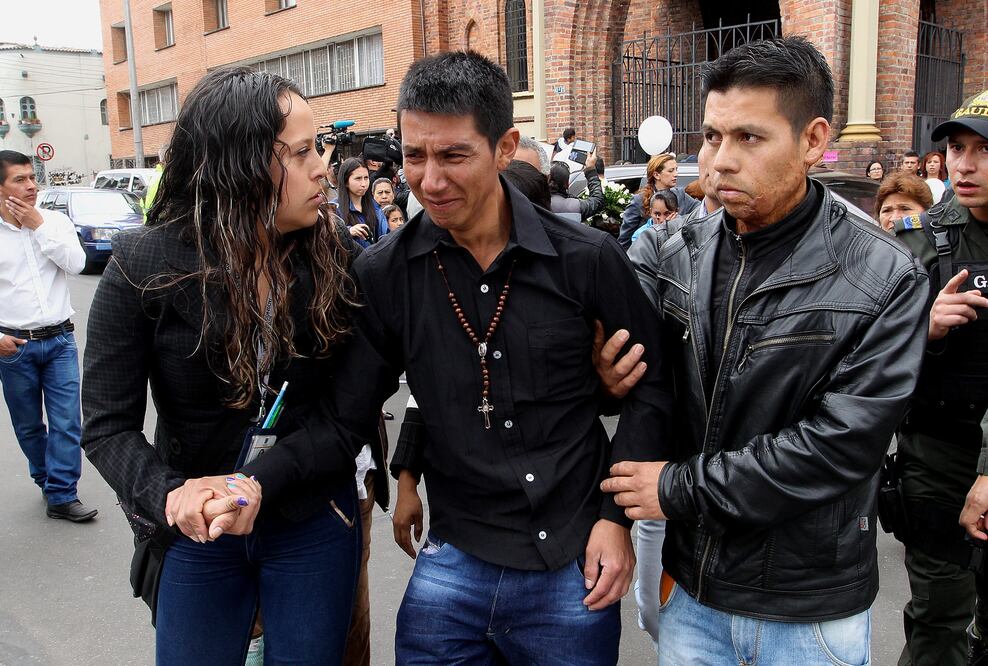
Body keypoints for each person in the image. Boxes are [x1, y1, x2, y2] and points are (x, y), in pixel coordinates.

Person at [311, 50, 672, 664]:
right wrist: (256, 478)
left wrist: (616, 519)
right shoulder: (386, 273)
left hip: (571, 561)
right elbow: (345, 413)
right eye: (414, 155)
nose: (428, 180)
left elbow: (654, 390)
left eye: (453, 155)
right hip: (454, 559)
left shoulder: (586, 260)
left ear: (504, 146)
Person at [602, 36, 929, 664]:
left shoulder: (883, 275)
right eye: (710, 137)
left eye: (748, 138)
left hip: (807, 609)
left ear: (812, 140)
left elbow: (839, 447)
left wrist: (677, 487)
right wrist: (605, 371)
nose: (719, 162)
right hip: (692, 594)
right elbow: (636, 383)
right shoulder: (673, 254)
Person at [80, 67, 363, 664]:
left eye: (322, 150)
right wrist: (171, 495)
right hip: (199, 523)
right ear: (242, 164)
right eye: (304, 152)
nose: (323, 170)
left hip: (310, 513)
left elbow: (350, 413)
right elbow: (107, 425)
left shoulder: (336, 255)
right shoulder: (142, 262)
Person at [893, 89, 988, 666]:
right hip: (935, 455)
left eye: (983, 150)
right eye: (956, 148)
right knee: (938, 619)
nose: (964, 164)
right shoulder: (920, 236)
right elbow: (863, 349)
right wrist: (921, 331)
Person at [0, 150, 96, 523]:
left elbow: (77, 264)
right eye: (20, 180)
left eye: (32, 178)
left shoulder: (53, 222)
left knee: (68, 421)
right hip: (14, 347)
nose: (30, 186)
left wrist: (38, 225)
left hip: (59, 341)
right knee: (28, 425)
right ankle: (46, 478)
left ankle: (61, 493)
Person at [617, 152, 700, 249]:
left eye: (676, 170)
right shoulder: (639, 200)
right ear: (657, 175)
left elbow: (702, 211)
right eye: (671, 171)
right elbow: (624, 240)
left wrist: (678, 221)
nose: (676, 174)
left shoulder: (681, 195)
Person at [335, 157, 389, 248]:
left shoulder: (375, 206)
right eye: (358, 178)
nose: (363, 184)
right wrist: (347, 232)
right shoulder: (334, 208)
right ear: (345, 181)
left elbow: (385, 236)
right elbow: (326, 239)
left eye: (366, 178)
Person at [549, 154, 603, 221]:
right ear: (567, 184)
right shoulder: (574, 206)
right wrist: (590, 170)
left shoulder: (535, 202)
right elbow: (597, 201)